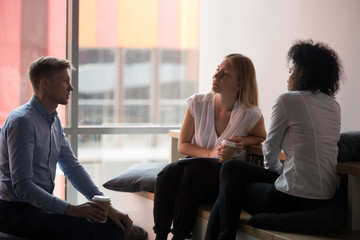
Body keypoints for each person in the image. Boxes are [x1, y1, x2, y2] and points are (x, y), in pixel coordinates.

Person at [205, 39, 343, 240]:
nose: (288, 78)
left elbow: (270, 148)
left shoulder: (288, 99)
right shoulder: (333, 105)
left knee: (230, 179)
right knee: (232, 172)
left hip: (292, 198)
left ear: (302, 71)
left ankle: (225, 236)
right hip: (324, 198)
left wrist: (277, 174)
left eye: (290, 71)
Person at [0, 56, 133, 239]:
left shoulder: (54, 120)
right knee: (81, 229)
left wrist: (107, 207)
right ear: (45, 83)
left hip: (40, 206)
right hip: (14, 210)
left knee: (112, 227)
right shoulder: (22, 122)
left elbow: (72, 167)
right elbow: (23, 185)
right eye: (65, 81)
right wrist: (71, 210)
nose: (71, 88)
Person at [153, 53, 267, 240]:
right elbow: (183, 145)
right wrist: (210, 153)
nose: (217, 76)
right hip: (194, 166)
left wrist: (245, 140)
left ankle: (179, 236)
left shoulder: (249, 114)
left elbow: (261, 136)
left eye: (226, 74)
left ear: (239, 84)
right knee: (168, 173)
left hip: (221, 178)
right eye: (218, 71)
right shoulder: (198, 103)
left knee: (191, 174)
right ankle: (160, 234)